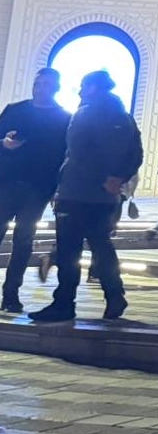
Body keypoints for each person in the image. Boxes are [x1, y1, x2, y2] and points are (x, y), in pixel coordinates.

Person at [29, 71, 142, 324]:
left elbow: (78, 152)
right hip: (106, 197)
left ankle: (64, 303)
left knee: (69, 251)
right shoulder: (125, 119)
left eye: (83, 86)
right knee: (102, 245)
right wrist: (118, 179)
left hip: (76, 191)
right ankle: (115, 295)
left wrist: (102, 178)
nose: (80, 91)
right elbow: (137, 154)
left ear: (93, 88)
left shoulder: (84, 114)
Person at [0, 69, 71, 313]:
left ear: (56, 88)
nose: (40, 88)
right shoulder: (14, 110)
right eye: (37, 83)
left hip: (38, 189)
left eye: (46, 84)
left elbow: (64, 156)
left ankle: (11, 294)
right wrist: (4, 144)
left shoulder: (63, 118)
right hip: (6, 183)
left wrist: (57, 189)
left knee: (23, 241)